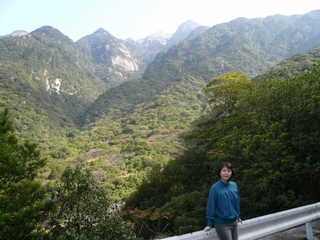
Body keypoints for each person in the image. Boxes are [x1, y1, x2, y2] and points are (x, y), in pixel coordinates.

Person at [204, 162, 242, 240]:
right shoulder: (215, 188)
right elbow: (211, 205)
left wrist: (237, 216)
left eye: (229, 171)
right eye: (224, 170)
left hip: (235, 222)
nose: (226, 173)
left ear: (232, 172)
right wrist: (209, 224)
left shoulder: (234, 185)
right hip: (222, 224)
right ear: (219, 172)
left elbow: (236, 203)